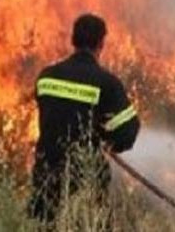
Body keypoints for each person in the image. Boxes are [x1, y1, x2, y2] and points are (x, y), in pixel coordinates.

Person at [28, 14, 140, 228]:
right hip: (84, 180)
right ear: (101, 43)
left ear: (73, 39)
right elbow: (128, 132)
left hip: (46, 176)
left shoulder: (46, 77)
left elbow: (53, 113)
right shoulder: (106, 83)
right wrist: (107, 138)